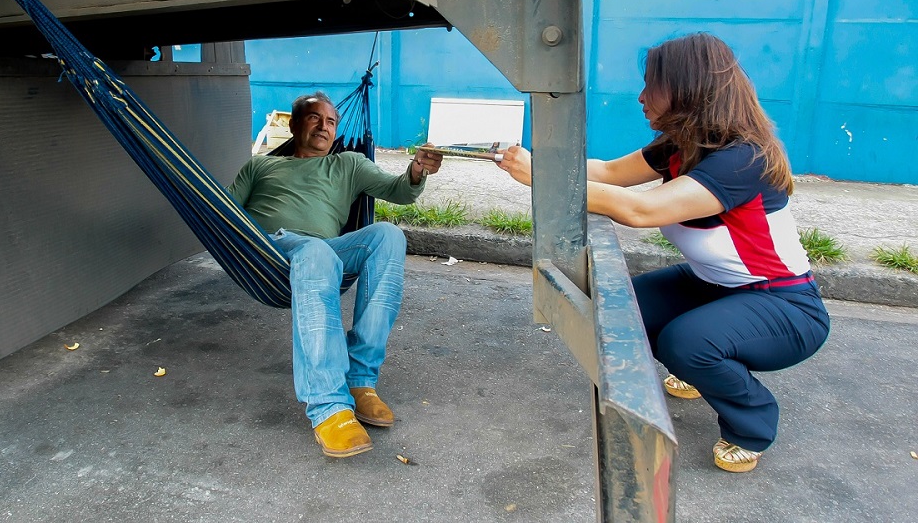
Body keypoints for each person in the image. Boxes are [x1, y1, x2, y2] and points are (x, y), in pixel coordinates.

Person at [496, 32, 829, 473]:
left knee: (685, 342)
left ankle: (752, 422)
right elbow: (609, 172)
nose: (641, 97)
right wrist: (538, 161)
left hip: (783, 304)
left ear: (688, 89)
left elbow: (641, 210)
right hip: (715, 285)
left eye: (651, 86)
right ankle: (699, 368)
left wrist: (542, 176)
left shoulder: (741, 159)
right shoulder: (683, 144)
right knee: (622, 310)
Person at [227, 91, 443, 458]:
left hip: (327, 251)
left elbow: (398, 190)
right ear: (294, 125)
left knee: (388, 236)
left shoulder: (349, 164)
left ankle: (360, 380)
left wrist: (417, 170)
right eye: (314, 118)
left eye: (330, 121)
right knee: (315, 251)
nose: (324, 126)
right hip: (270, 249)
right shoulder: (260, 166)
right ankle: (328, 405)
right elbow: (225, 210)